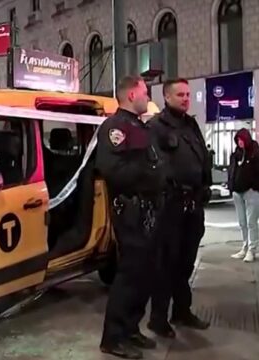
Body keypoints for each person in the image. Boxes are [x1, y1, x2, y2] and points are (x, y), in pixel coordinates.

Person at [97, 75, 166, 359]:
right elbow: (113, 170)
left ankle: (130, 328)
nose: (147, 97)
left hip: (148, 209)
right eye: (145, 92)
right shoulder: (115, 128)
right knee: (129, 274)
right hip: (131, 209)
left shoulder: (139, 125)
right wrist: (150, 176)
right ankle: (113, 338)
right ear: (131, 95)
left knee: (145, 272)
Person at [147, 78, 212, 339]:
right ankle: (158, 318)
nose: (186, 98)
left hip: (193, 205)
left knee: (186, 263)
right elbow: (154, 165)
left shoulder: (191, 124)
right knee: (166, 264)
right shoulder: (156, 126)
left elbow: (202, 159)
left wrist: (205, 186)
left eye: (188, 94)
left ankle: (182, 311)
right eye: (180, 94)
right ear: (167, 97)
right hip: (171, 206)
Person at [227, 128, 259, 262]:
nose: (240, 142)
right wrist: (231, 185)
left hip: (251, 191)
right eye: (238, 140)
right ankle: (245, 246)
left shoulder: (256, 153)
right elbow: (231, 170)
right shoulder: (236, 154)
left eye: (242, 139)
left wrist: (256, 187)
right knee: (242, 222)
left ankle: (252, 249)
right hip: (237, 192)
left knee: (251, 222)